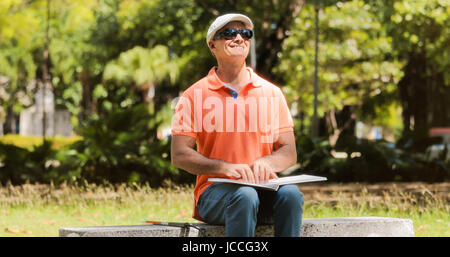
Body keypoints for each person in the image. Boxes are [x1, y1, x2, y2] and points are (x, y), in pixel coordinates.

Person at [171, 13, 304, 237]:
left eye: (245, 33)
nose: (239, 37)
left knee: (291, 195)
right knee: (244, 196)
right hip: (215, 193)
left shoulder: (271, 93)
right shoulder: (194, 95)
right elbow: (180, 155)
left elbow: (289, 152)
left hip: (263, 189)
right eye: (229, 33)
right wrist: (225, 168)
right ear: (213, 45)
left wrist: (268, 162)